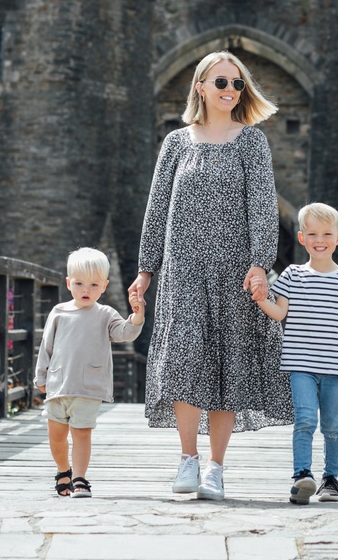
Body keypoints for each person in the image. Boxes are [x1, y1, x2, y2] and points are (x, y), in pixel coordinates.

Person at [129, 50, 292, 501]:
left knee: (225, 367)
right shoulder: (177, 143)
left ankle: (215, 468)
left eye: (237, 84)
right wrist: (146, 270)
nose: (230, 91)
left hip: (236, 272)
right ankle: (187, 459)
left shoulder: (252, 142)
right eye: (221, 82)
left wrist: (260, 263)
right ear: (200, 86)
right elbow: (156, 208)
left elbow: (263, 206)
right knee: (183, 359)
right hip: (183, 269)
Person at [252, 202, 338, 504]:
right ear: (302, 238)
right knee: (304, 419)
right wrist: (262, 298)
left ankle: (331, 479)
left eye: (327, 234)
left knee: (332, 425)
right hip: (300, 363)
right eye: (313, 233)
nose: (320, 240)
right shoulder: (291, 275)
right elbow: (279, 313)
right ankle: (302, 475)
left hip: (336, 367)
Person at [35, 247, 145, 498]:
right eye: (79, 283)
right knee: (56, 436)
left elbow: (124, 333)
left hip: (88, 387)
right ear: (68, 283)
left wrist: (137, 315)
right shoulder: (59, 312)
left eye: (94, 285)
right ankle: (63, 470)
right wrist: (40, 376)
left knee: (82, 434)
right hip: (58, 384)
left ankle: (80, 478)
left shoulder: (105, 314)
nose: (86, 290)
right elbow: (46, 346)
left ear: (104, 286)